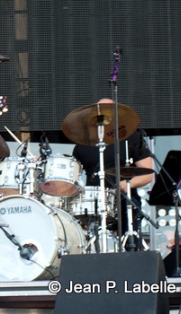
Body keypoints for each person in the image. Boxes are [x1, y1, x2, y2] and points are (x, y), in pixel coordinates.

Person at [70, 99, 154, 251]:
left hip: (124, 199)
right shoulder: (82, 145)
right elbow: (72, 178)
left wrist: (126, 184)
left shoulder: (133, 138)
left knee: (130, 242)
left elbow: (147, 175)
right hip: (93, 204)